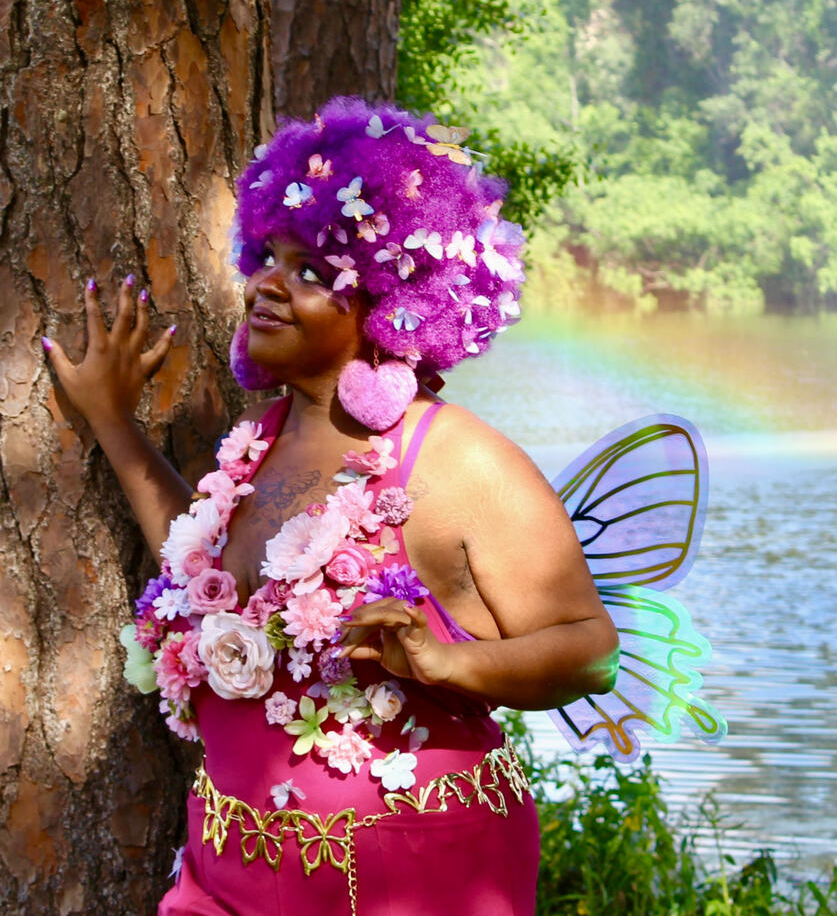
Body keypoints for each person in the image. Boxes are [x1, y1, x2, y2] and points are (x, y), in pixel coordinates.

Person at [43, 97, 618, 915]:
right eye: (268, 256)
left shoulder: (456, 460)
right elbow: (204, 567)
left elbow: (590, 648)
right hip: (227, 868)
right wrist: (113, 422)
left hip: (415, 877)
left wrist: (455, 663)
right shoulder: (260, 441)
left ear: (391, 296)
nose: (267, 285)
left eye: (311, 271)